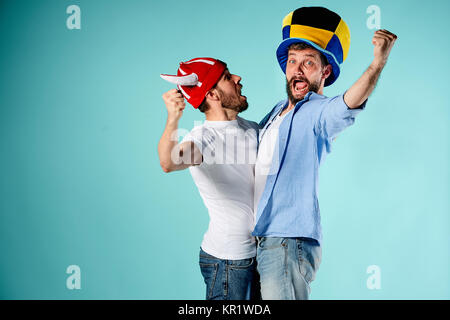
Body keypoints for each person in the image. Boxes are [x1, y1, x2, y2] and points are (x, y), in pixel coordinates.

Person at [253, 7, 397, 299]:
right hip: (261, 239)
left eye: (308, 62)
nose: (297, 69)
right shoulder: (275, 113)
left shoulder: (318, 111)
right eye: (292, 61)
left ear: (325, 71)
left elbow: (347, 104)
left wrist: (377, 63)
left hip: (286, 241)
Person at [158, 57, 260, 300]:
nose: (238, 79)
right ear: (213, 95)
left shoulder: (252, 128)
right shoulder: (203, 138)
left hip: (260, 256)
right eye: (227, 77)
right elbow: (168, 162)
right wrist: (173, 118)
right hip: (227, 261)